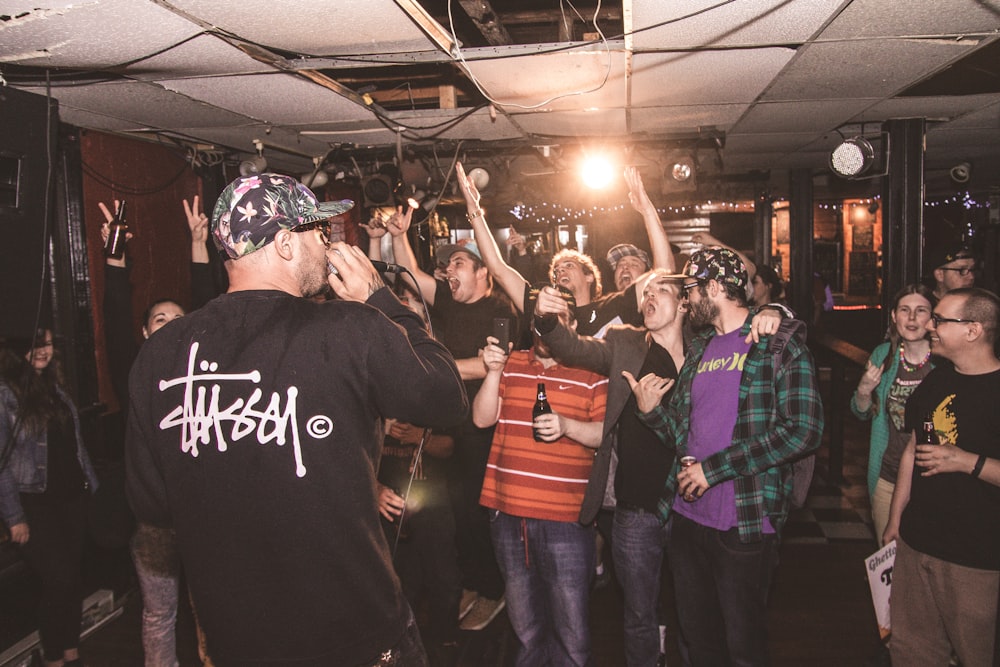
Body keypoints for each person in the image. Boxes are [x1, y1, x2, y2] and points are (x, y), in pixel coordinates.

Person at [125, 173, 468, 666]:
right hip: (354, 638)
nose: (327, 245)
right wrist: (381, 300)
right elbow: (445, 397)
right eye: (317, 233)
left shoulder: (161, 352)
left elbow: (152, 505)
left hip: (236, 642)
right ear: (286, 243)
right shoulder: (350, 327)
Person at [534, 270, 783, 667]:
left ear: (685, 302)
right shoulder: (624, 343)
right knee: (639, 617)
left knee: (696, 616)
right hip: (638, 507)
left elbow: (755, 321)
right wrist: (547, 320)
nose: (648, 297)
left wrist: (774, 310)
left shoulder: (709, 347)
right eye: (644, 293)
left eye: (660, 291)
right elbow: (575, 348)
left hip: (695, 507)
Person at [638, 247, 824, 666]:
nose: (686, 300)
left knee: (744, 649)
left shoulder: (778, 344)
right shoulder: (700, 347)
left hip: (744, 520)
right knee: (700, 644)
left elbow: (804, 432)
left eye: (691, 289)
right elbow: (685, 434)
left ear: (717, 287)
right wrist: (651, 414)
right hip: (688, 519)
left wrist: (713, 469)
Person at [387, 204, 518, 631]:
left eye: (458, 263)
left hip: (486, 428)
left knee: (479, 514)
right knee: (456, 514)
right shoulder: (448, 299)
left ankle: (495, 591)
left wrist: (436, 366)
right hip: (450, 425)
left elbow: (489, 367)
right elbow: (409, 275)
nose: (448, 271)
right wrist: (399, 234)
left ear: (483, 272)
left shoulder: (500, 310)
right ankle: (473, 582)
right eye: (447, 265)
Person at [100, 196, 217, 667]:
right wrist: (113, 256)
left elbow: (212, 307)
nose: (169, 323)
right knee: (159, 614)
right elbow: (112, 319)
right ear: (147, 333)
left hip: (209, 512)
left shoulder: (210, 371)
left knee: (212, 610)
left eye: (178, 317)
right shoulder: (137, 373)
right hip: (154, 521)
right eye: (159, 318)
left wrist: (197, 245)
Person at [473, 291, 608, 666]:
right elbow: (482, 419)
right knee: (526, 630)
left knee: (572, 633)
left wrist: (567, 426)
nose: (547, 329)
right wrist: (494, 371)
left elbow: (603, 434)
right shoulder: (513, 363)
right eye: (541, 319)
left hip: (565, 517)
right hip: (507, 514)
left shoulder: (594, 369)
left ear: (573, 326)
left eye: (558, 319)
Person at [883, 287, 1000, 666]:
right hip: (918, 544)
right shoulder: (937, 381)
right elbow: (912, 451)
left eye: (941, 320)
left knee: (975, 653)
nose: (931, 325)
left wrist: (967, 461)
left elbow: (958, 458)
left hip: (975, 557)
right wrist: (896, 519)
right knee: (911, 649)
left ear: (974, 330)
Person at [457, 162, 676, 338]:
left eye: (568, 266)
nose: (560, 272)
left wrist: (647, 210)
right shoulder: (547, 308)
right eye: (556, 271)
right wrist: (474, 209)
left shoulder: (613, 307)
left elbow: (665, 272)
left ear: (590, 277)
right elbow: (498, 269)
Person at [0, 330, 100, 667]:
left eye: (47, 343)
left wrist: (93, 486)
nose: (43, 350)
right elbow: (1, 463)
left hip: (72, 496)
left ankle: (72, 653)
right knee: (59, 579)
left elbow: (74, 444)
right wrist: (13, 516)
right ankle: (53, 656)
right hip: (35, 503)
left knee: (71, 579)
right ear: (17, 349)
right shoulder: (6, 394)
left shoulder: (54, 388)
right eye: (35, 344)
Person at [851, 284, 936, 541]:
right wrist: (864, 391)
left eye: (920, 311)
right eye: (904, 310)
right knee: (889, 560)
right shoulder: (883, 355)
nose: (911, 318)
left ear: (932, 319)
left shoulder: (943, 361)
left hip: (931, 482)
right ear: (894, 316)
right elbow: (861, 413)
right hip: (887, 476)